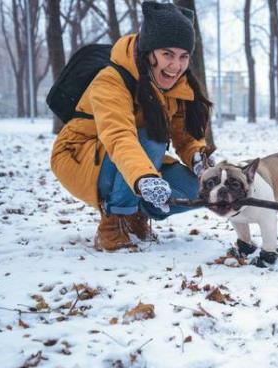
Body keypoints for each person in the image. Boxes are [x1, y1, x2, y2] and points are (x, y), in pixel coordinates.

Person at [50, 1, 214, 252]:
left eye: (183, 56)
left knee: (200, 190)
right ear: (149, 51)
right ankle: (114, 220)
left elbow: (186, 137)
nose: (175, 66)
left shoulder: (178, 85)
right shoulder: (111, 80)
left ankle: (135, 211)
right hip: (81, 155)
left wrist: (198, 159)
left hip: (138, 157)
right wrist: (145, 179)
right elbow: (119, 136)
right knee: (153, 138)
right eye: (167, 54)